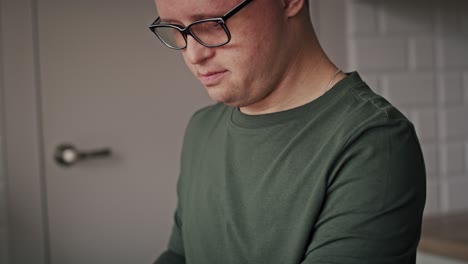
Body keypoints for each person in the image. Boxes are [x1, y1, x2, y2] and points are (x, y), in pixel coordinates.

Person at [149, 0, 426, 263]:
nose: (193, 54)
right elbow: (179, 255)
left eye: (211, 23)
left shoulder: (374, 142)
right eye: (175, 29)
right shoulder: (201, 129)